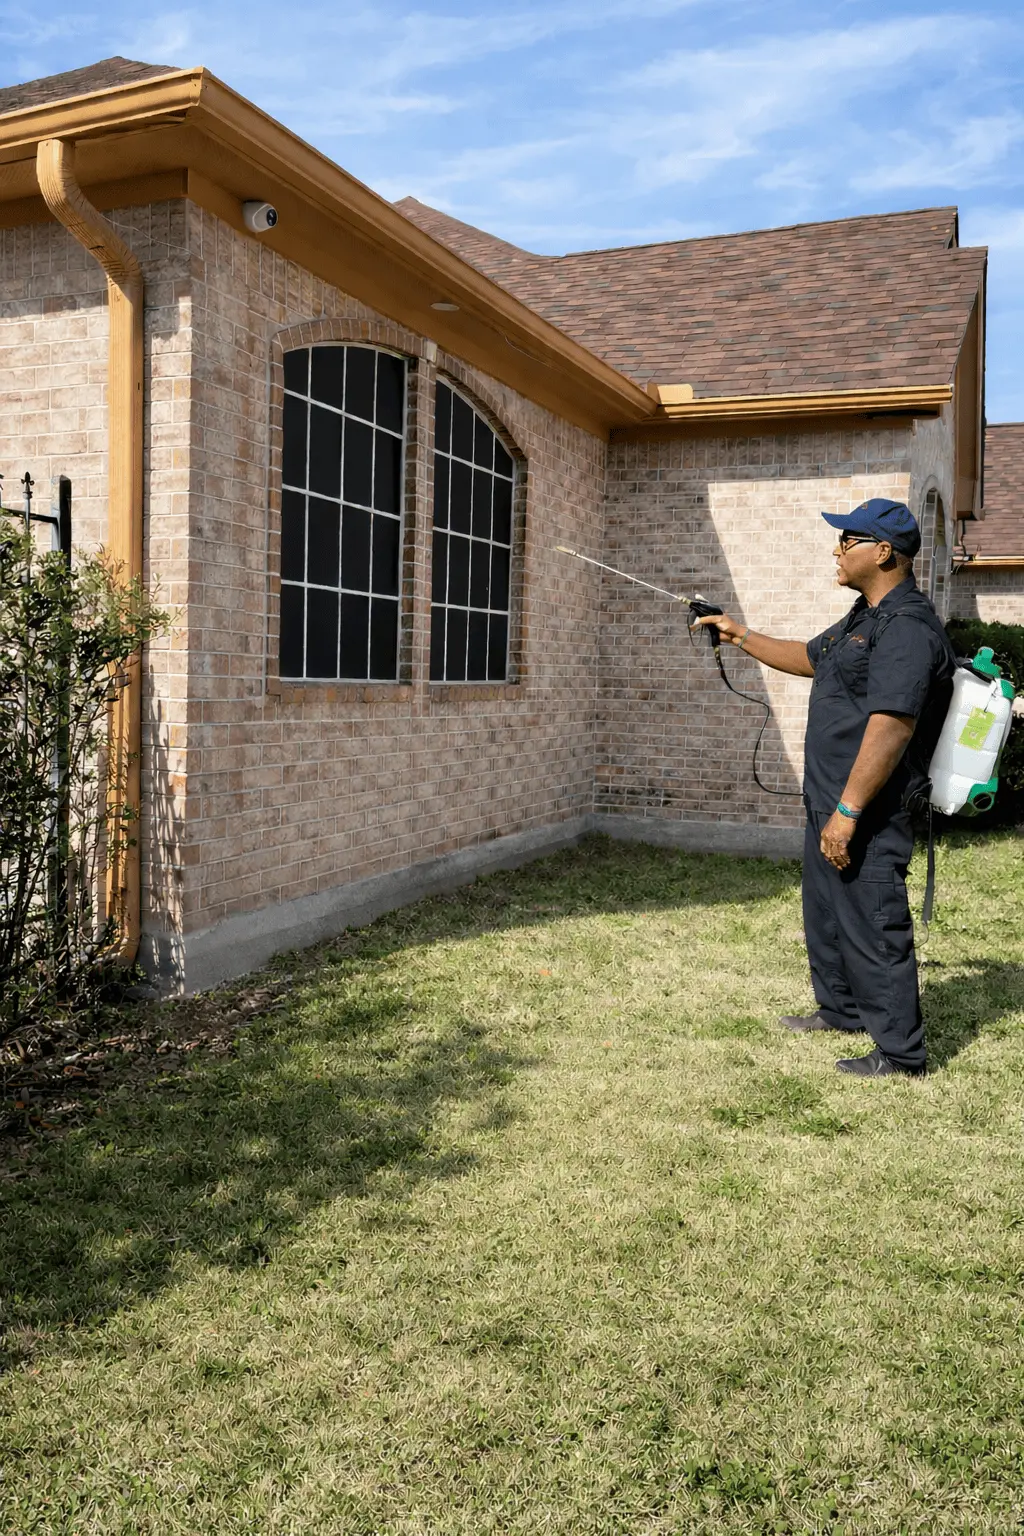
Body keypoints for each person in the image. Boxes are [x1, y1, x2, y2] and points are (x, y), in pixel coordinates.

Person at [695, 498, 956, 1078]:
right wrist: (738, 634)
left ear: (883, 552)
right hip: (829, 799)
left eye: (846, 541)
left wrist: (848, 811)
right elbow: (812, 657)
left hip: (868, 809)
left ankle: (901, 1052)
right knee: (829, 914)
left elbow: (892, 726)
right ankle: (841, 1010)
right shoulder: (863, 618)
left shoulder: (909, 628)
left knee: (874, 922)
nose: (835, 550)